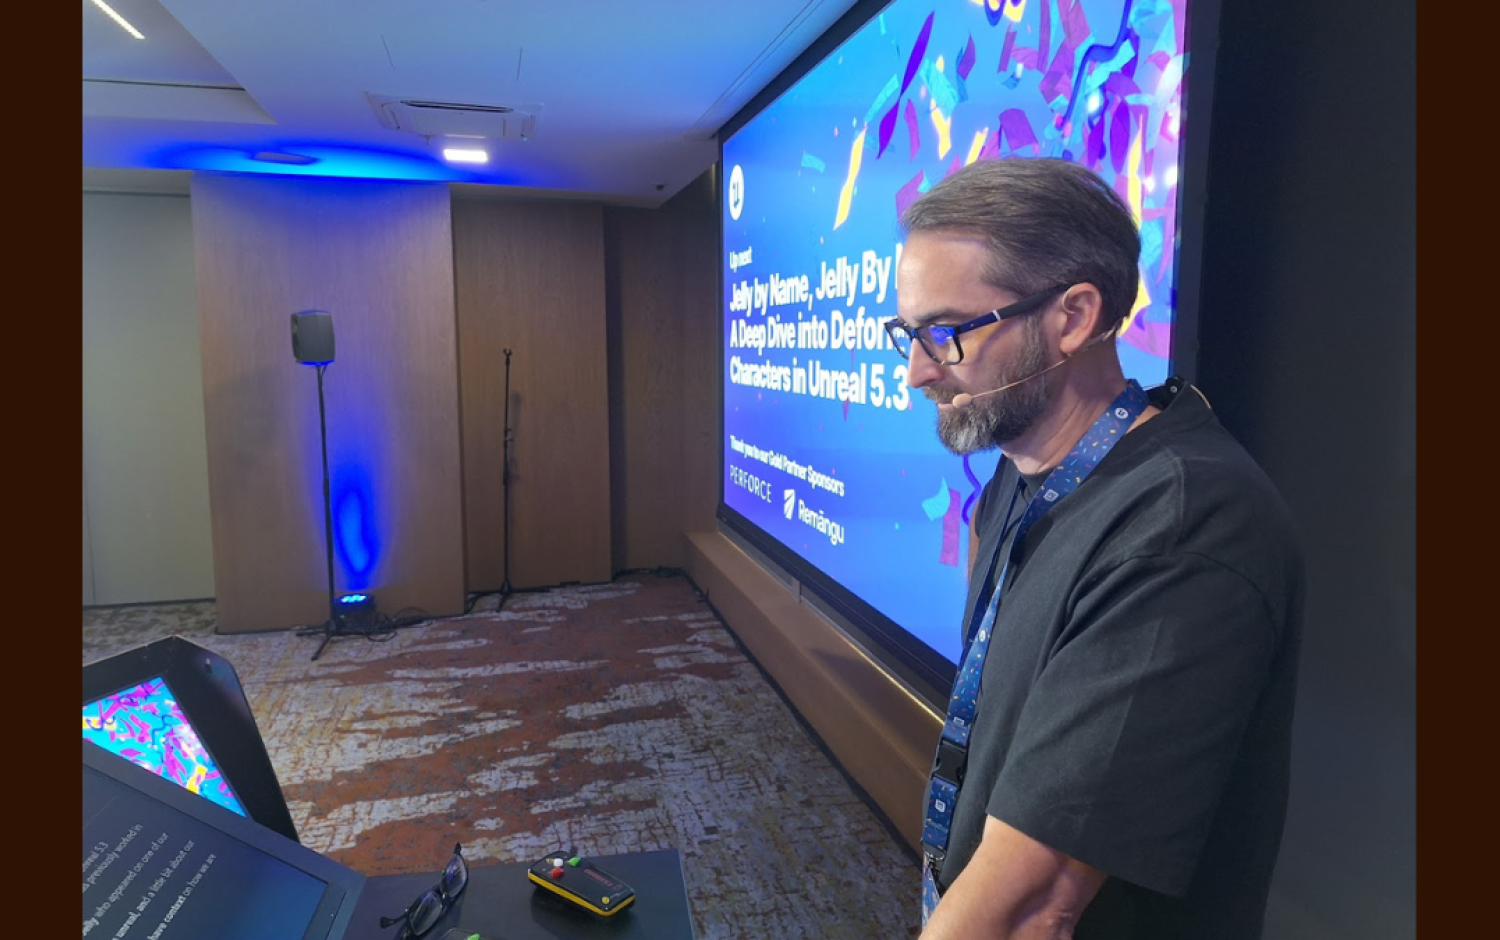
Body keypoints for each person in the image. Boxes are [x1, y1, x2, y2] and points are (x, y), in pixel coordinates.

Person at [884, 157, 1304, 939]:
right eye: (908, 334)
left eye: (946, 334)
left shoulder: (1187, 521)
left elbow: (1036, 906)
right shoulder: (1015, 479)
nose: (916, 373)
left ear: (1074, 317)